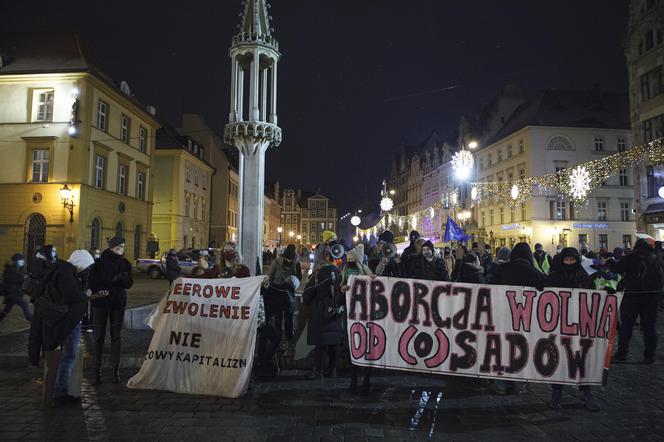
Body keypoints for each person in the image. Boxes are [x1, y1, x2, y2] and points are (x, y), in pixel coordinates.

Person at [545, 247, 600, 411]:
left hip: (581, 325)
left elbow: (592, 297)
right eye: (566, 260)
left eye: (572, 260)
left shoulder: (584, 277)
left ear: (577, 260)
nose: (569, 263)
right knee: (559, 358)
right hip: (559, 325)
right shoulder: (554, 277)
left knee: (583, 358)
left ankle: (586, 392)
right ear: (562, 261)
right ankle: (556, 394)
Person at [42, 250, 95, 406]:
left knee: (66, 356)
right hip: (67, 321)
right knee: (68, 356)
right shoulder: (66, 272)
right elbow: (71, 296)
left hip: (65, 320)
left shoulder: (64, 270)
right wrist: (85, 294)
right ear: (80, 262)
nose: (86, 270)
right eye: (86, 266)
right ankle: (60, 393)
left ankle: (58, 391)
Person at [610, 238, 663, 364]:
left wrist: (611, 262)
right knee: (650, 327)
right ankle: (649, 356)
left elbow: (617, 269)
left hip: (632, 296)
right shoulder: (658, 258)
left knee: (627, 326)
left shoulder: (631, 258)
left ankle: (622, 354)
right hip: (651, 297)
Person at [89, 237, 133, 385]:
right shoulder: (99, 263)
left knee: (116, 336)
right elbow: (92, 283)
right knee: (99, 337)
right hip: (100, 303)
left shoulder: (125, 263)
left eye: (123, 246)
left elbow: (129, 284)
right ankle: (97, 371)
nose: (121, 249)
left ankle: (115, 371)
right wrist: (109, 283)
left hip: (118, 303)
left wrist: (123, 279)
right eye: (119, 246)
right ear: (112, 247)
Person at [303, 244, 345, 380]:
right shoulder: (340, 273)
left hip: (321, 313)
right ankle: (332, 370)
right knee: (334, 342)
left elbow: (307, 295)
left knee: (320, 344)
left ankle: (318, 371)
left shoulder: (317, 274)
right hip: (336, 312)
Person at [0, 254, 32, 323]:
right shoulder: (10, 270)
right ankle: (33, 321)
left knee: (6, 310)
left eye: (22, 261)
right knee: (25, 305)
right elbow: (17, 279)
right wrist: (24, 277)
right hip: (13, 294)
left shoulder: (17, 269)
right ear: (16, 262)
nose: (21, 263)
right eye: (20, 262)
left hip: (13, 294)